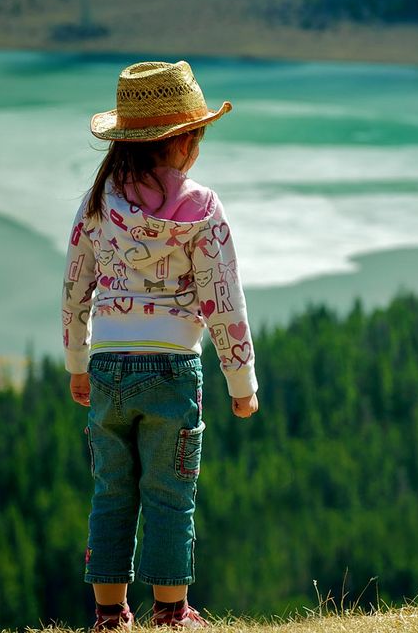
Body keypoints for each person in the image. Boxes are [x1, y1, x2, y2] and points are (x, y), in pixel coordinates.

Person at [62, 60, 259, 630]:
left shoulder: (99, 203)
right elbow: (225, 303)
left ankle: (107, 615)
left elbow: (75, 286)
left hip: (106, 368)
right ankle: (171, 612)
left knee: (111, 491)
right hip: (173, 369)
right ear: (188, 140)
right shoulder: (202, 209)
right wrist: (241, 385)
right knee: (172, 493)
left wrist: (78, 362)